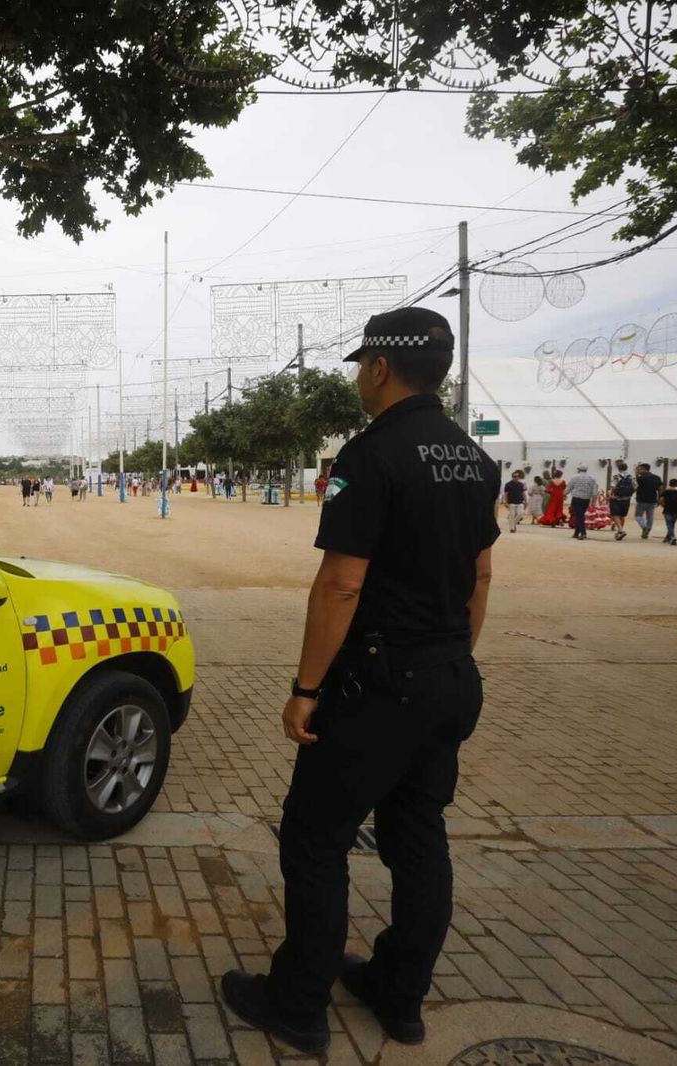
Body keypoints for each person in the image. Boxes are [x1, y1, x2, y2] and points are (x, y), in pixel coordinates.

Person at [219, 307, 496, 1053]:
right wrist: (451, 656)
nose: (357, 379)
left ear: (379, 367)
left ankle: (298, 1003)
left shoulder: (369, 457)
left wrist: (306, 687)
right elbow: (481, 573)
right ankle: (400, 994)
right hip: (448, 677)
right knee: (418, 835)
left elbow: (341, 584)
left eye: (359, 365)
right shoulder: (474, 458)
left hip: (377, 686)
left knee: (314, 838)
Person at [566, 464, 600, 540]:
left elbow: (569, 487)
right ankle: (576, 533)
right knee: (580, 515)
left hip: (576, 498)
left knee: (579, 516)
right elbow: (594, 490)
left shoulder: (574, 477)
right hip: (586, 499)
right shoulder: (592, 478)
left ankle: (583, 532)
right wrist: (593, 500)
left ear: (579, 470)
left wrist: (564, 494)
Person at [632, 463, 661, 540]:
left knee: (638, 516)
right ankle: (648, 529)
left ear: (644, 469)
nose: (639, 470)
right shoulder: (657, 478)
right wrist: (659, 498)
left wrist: (636, 473)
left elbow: (636, 484)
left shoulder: (641, 478)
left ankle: (644, 527)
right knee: (650, 516)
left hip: (642, 500)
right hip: (653, 499)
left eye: (640, 469)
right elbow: (660, 489)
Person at [608, 460, 635, 541]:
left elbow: (613, 487)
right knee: (622, 515)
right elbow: (636, 487)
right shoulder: (631, 476)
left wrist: (610, 495)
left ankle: (620, 530)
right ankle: (620, 531)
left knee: (615, 514)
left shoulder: (616, 476)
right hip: (626, 499)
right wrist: (630, 494)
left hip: (616, 498)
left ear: (618, 468)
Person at [660, 478, 677, 543]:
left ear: (669, 484)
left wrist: (663, 506)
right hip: (676, 509)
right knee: (672, 524)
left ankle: (672, 537)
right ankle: (667, 537)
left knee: (669, 524)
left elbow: (661, 500)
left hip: (667, 509)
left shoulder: (665, 492)